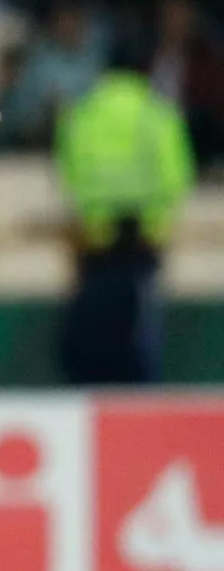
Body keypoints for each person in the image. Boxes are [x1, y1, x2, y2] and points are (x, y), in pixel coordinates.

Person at [55, 35, 194, 384]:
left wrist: (93, 217)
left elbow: (70, 171)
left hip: (97, 239)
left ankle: (91, 386)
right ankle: (140, 393)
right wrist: (154, 222)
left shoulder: (85, 111)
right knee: (140, 331)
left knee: (95, 326)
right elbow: (176, 175)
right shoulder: (157, 112)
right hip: (143, 239)